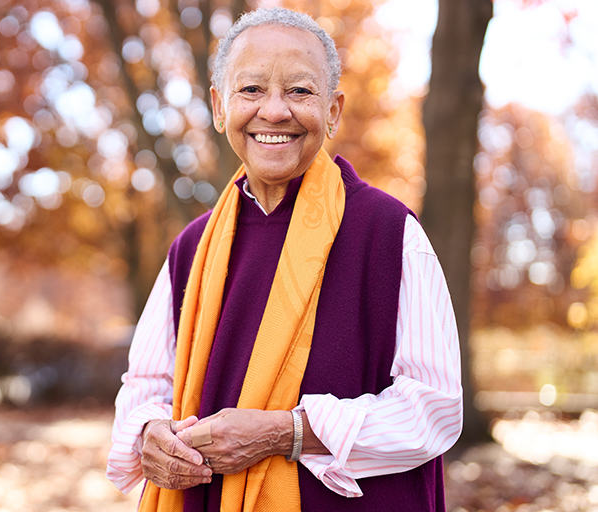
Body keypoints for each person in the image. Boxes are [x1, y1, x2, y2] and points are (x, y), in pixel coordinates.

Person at [107, 7, 462, 512]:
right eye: (250, 90)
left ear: (333, 111)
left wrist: (287, 433)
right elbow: (146, 385)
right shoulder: (191, 247)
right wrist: (151, 432)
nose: (274, 111)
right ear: (218, 106)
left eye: (299, 91)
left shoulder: (388, 233)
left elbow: (435, 410)